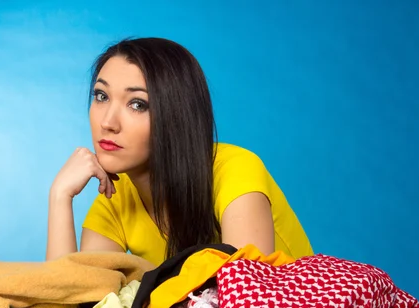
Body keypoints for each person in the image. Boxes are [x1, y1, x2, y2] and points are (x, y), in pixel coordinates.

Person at [46, 37, 313, 266]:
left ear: (176, 114)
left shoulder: (236, 170)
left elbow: (246, 301)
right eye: (101, 96)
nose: (108, 122)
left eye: (137, 104)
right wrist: (60, 197)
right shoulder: (115, 198)